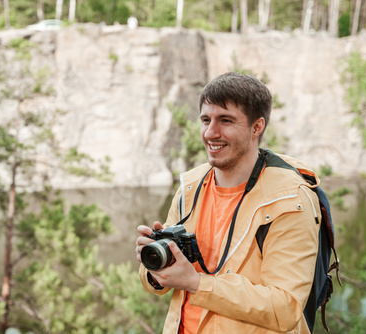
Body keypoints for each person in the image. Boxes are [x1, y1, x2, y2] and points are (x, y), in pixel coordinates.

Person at [135, 72, 322, 333]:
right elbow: (160, 282)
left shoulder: (290, 200)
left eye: (225, 120)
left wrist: (197, 283)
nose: (211, 133)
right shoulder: (191, 186)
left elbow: (285, 307)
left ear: (257, 127)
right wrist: (156, 264)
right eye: (205, 120)